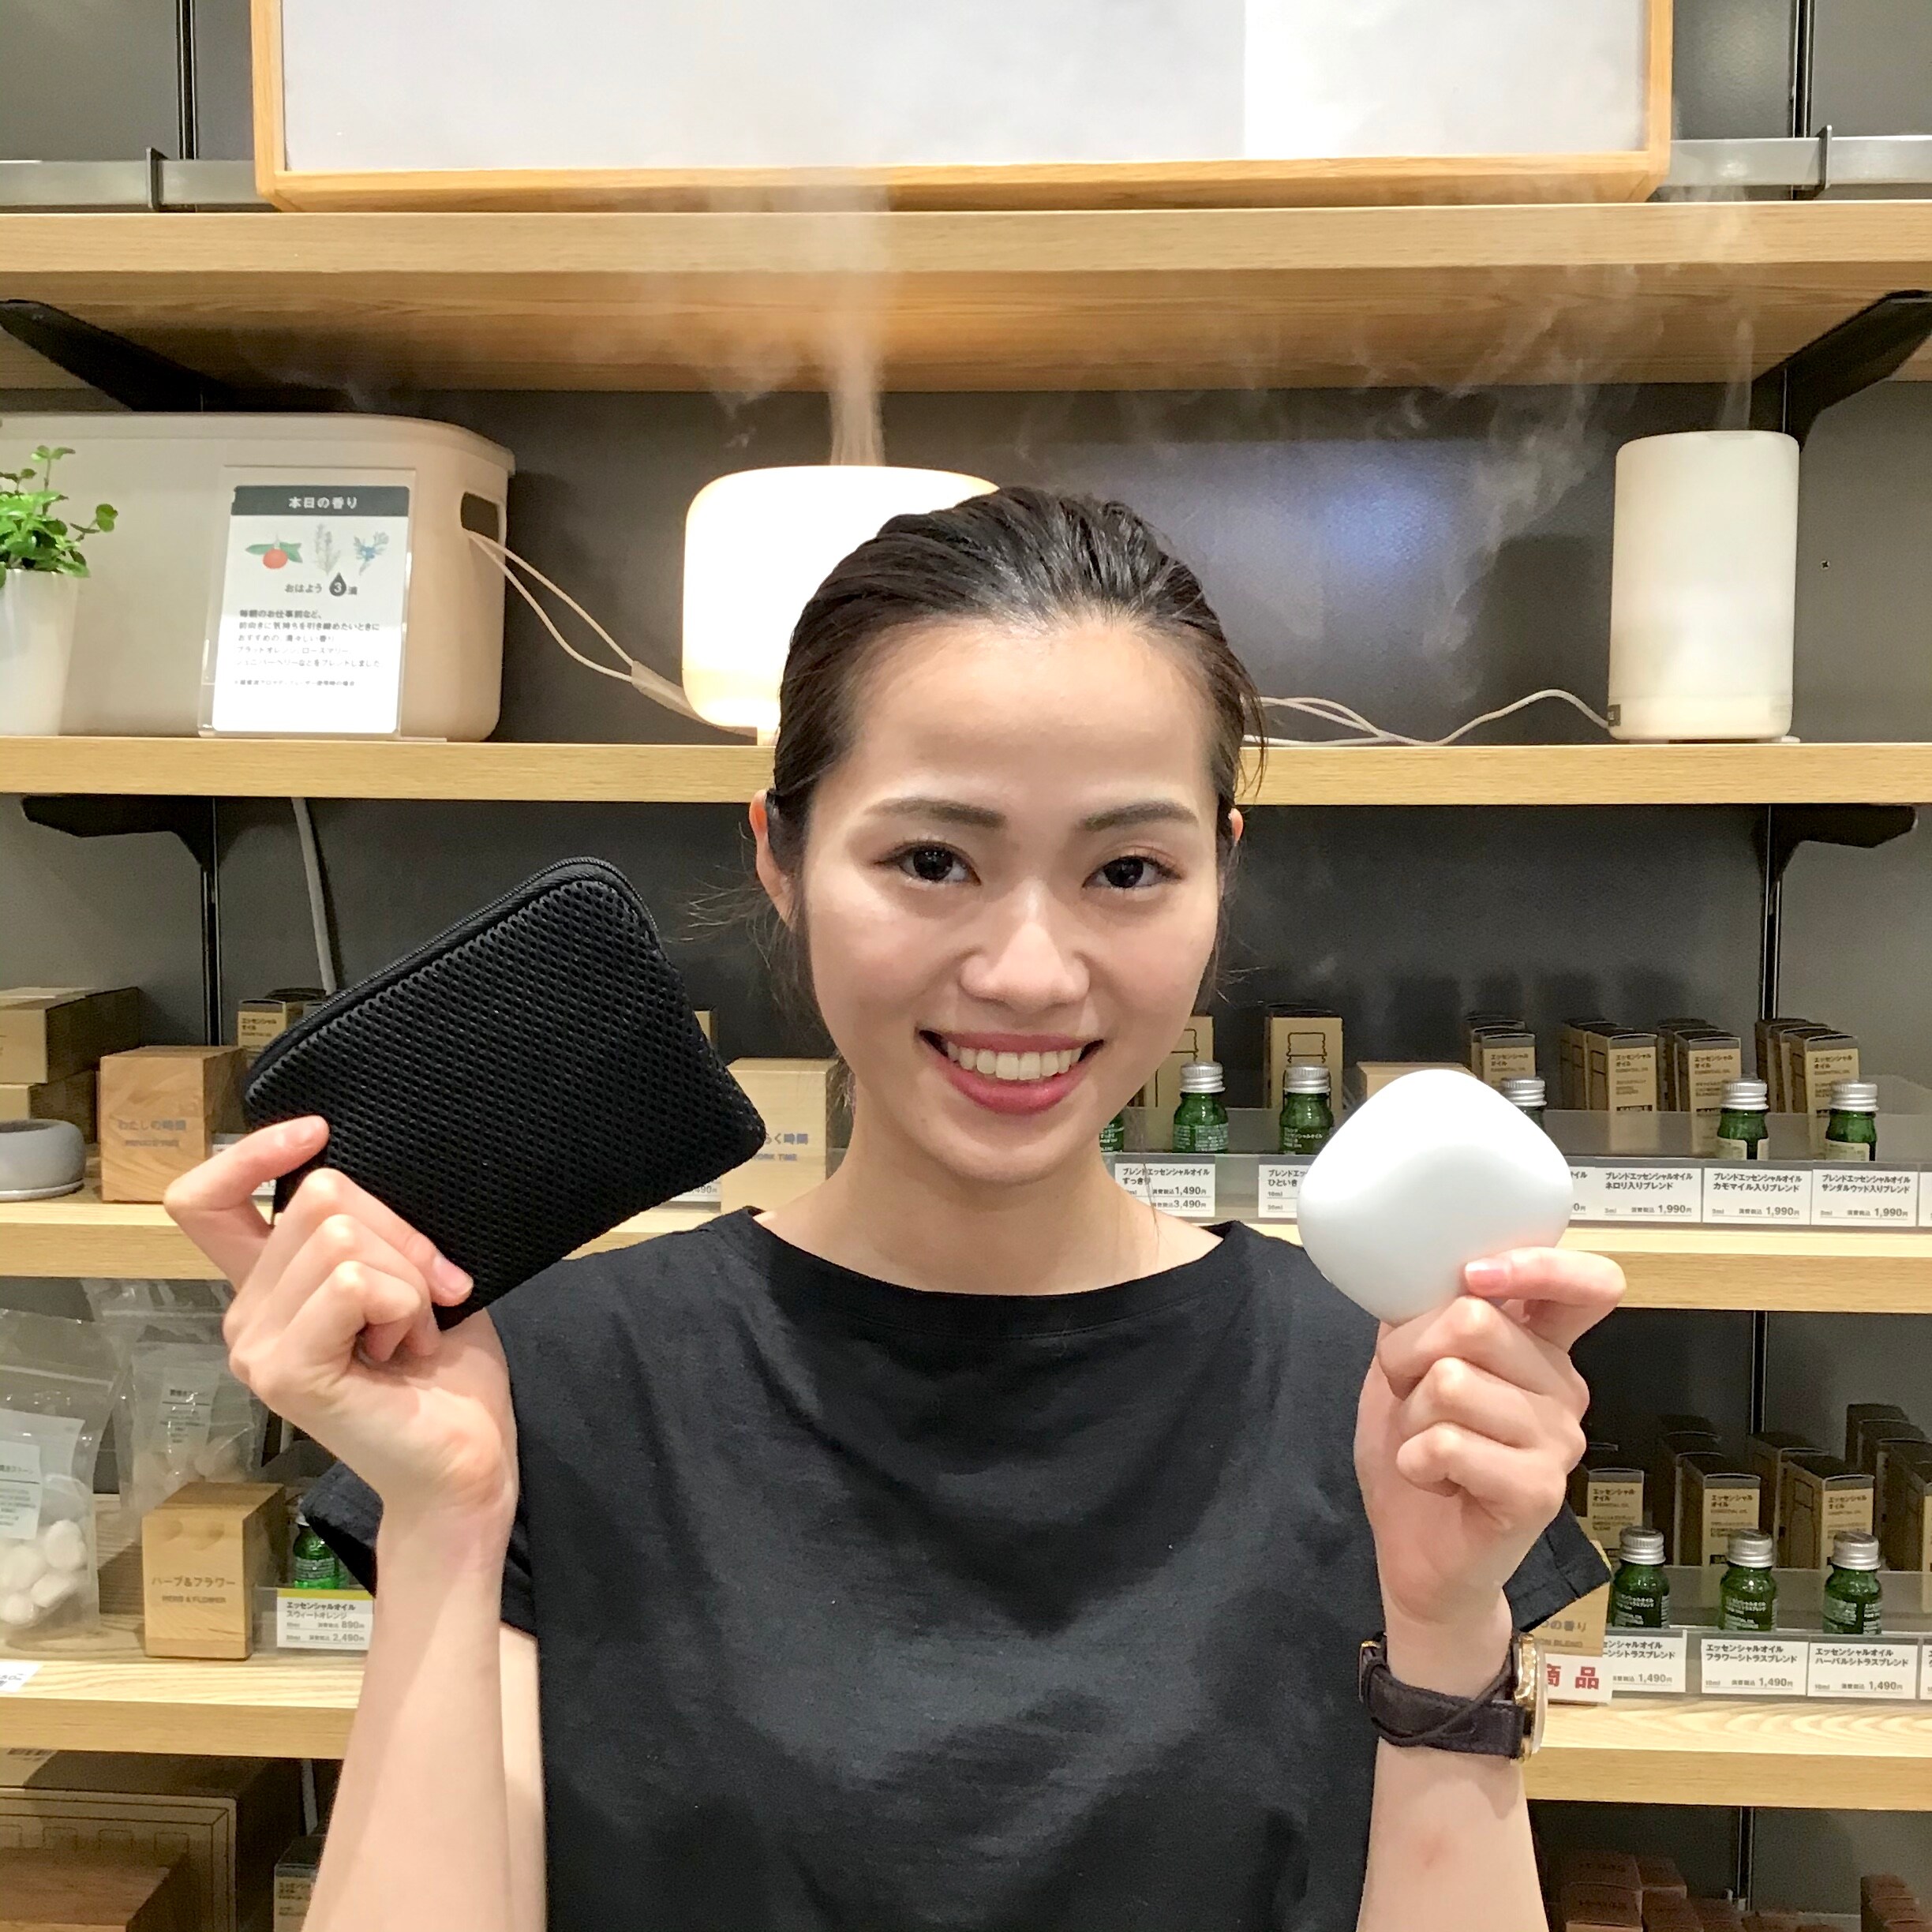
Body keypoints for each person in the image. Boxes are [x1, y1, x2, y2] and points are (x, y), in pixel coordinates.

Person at [166, 487, 1620, 1932]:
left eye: (1128, 870)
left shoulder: (1373, 1395)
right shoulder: (542, 1384)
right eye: (932, 861)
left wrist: (1447, 1625)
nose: (1030, 974)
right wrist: (443, 1523)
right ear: (780, 857)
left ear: (1219, 872)